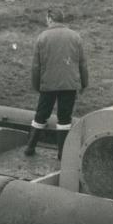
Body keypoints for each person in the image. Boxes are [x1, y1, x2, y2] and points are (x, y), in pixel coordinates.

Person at [24, 9, 89, 159]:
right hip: (69, 84)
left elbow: (36, 66)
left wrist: (36, 85)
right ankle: (62, 153)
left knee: (41, 115)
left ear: (50, 19)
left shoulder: (42, 37)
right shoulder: (75, 36)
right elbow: (83, 64)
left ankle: (30, 147)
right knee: (65, 118)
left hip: (48, 84)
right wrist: (84, 83)